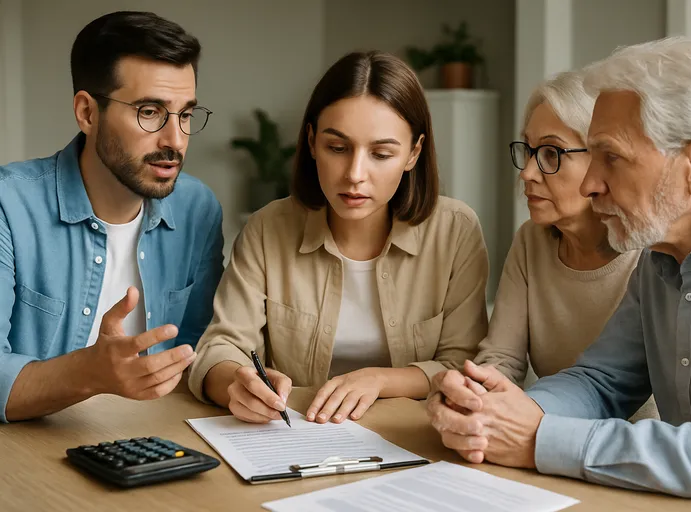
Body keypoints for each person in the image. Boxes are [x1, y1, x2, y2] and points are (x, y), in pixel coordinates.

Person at [428, 36, 691, 502]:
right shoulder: (660, 257)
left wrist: (541, 439)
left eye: (611, 157)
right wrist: (491, 412)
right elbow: (602, 381)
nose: (590, 184)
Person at [188, 51, 489, 425]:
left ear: (413, 153)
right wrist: (237, 384)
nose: (355, 174)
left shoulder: (455, 230)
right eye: (338, 148)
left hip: (413, 435)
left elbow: (464, 364)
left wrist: (378, 380)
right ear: (312, 141)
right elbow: (221, 347)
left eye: (381, 153)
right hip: (296, 434)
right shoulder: (267, 229)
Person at [0, 11, 223, 423]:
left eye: (186, 114)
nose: (175, 140)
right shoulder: (9, 204)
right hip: (30, 449)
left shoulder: (197, 208)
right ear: (87, 112)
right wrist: (90, 373)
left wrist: (233, 377)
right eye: (150, 112)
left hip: (155, 438)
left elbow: (203, 346)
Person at [474, 69, 656, 421]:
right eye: (529, 150)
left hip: (631, 442)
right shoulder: (531, 240)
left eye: (552, 153)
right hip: (550, 431)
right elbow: (501, 360)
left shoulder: (651, 255)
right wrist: (475, 396)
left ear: (604, 159)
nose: (527, 173)